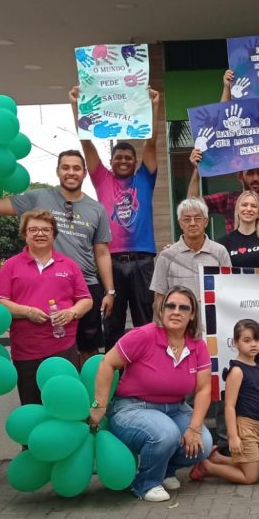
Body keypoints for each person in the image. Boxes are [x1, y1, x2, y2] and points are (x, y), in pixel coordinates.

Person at [0, 150, 114, 360]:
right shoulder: (38, 197)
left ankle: (85, 392)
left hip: (86, 287)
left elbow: (102, 253)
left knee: (89, 348)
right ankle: (54, 390)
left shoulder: (97, 209)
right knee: (54, 348)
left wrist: (110, 291)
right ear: (58, 171)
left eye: (76, 168)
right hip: (48, 284)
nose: (71, 172)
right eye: (66, 167)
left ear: (84, 173)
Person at [88, 286, 213, 501]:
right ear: (161, 310)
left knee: (204, 445)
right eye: (170, 306)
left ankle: (164, 471)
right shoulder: (142, 336)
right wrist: (99, 405)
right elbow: (107, 363)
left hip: (175, 407)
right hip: (132, 407)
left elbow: (203, 389)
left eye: (184, 308)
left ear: (192, 315)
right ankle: (145, 483)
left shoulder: (198, 345)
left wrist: (193, 428)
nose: (176, 311)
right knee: (166, 434)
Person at [71, 86, 159, 351]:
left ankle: (146, 372)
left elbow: (151, 142)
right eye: (118, 157)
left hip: (143, 261)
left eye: (128, 158)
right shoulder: (102, 179)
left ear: (135, 162)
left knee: (145, 322)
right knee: (113, 323)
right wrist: (76, 105)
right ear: (111, 161)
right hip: (112, 261)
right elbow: (85, 142)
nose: (123, 161)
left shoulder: (145, 178)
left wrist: (155, 105)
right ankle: (113, 375)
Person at [0, 210, 93, 406]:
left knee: (65, 404)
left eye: (46, 230)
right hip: (26, 350)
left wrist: (72, 312)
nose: (40, 234)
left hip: (63, 347)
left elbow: (86, 300)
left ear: (54, 234)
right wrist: (26, 311)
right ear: (24, 234)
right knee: (33, 406)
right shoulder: (11, 266)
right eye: (34, 230)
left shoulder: (69, 265)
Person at [189, 319, 259, 485]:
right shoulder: (236, 371)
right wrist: (233, 436)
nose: (253, 344)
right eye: (247, 340)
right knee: (250, 477)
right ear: (235, 343)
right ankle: (207, 467)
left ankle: (216, 458)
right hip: (245, 427)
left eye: (257, 340)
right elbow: (229, 406)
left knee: (250, 465)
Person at [187, 149, 259, 234]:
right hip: (239, 264)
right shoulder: (229, 199)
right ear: (240, 176)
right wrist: (197, 170)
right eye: (250, 173)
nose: (255, 178)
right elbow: (192, 205)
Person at [151, 198, 231, 309]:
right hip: (179, 322)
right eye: (187, 219)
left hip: (213, 320)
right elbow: (159, 297)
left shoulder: (220, 252)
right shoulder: (166, 256)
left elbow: (228, 289)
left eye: (198, 218)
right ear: (180, 223)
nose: (193, 223)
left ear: (206, 222)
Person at [219, 191, 259, 268]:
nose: (249, 209)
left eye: (253, 206)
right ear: (237, 210)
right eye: (244, 205)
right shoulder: (223, 243)